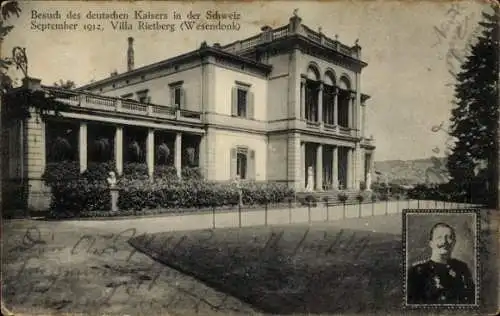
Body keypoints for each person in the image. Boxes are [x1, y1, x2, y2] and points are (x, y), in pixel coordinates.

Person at [407, 222, 475, 305]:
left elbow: (472, 300)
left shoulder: (462, 268)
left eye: (449, 237)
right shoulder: (417, 271)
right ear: (431, 243)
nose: (444, 241)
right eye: (439, 238)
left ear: (454, 242)